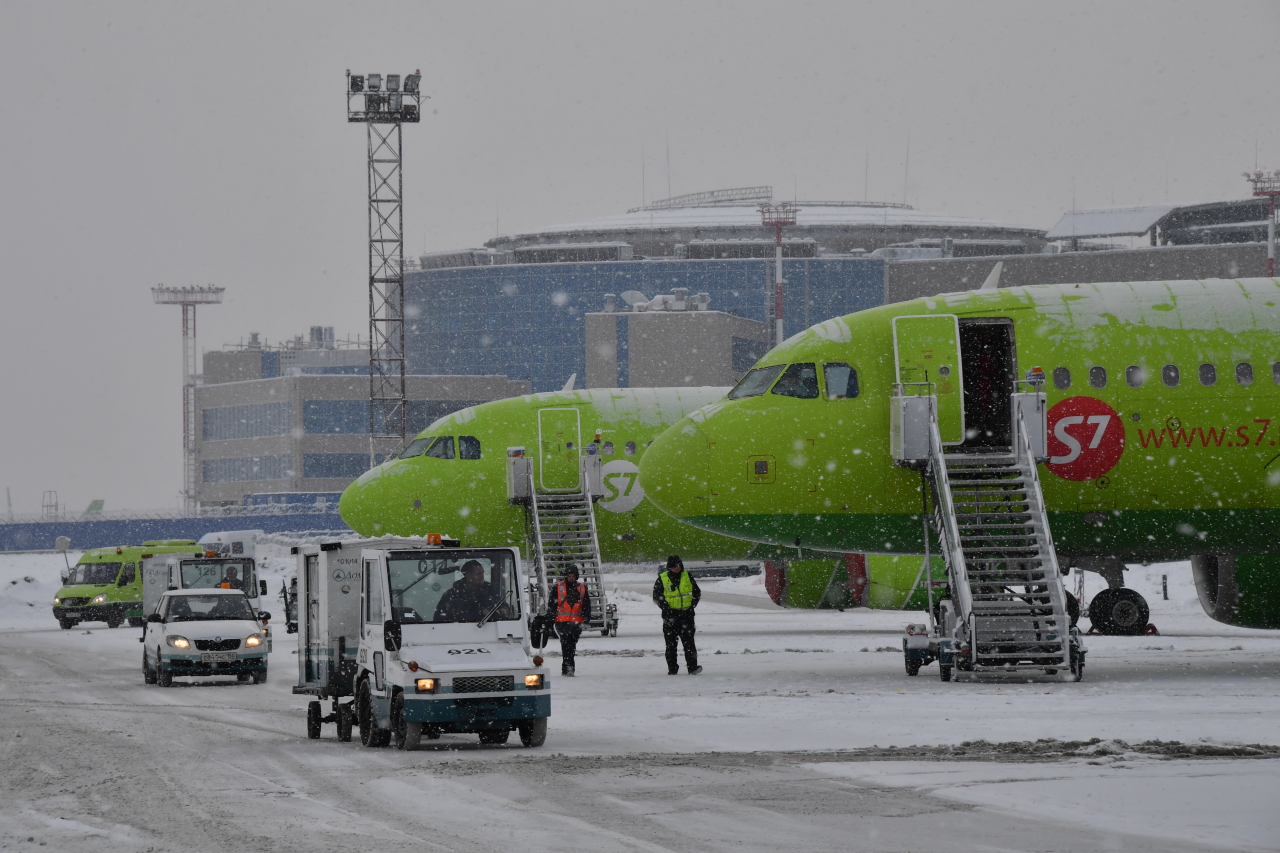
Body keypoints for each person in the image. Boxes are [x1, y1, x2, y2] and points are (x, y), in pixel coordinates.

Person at [652, 555, 702, 675]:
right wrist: (667, 609)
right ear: (669, 567)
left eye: (677, 566)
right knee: (671, 645)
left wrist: (692, 605)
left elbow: (696, 592)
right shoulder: (662, 578)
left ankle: (692, 667)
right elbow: (657, 596)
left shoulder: (687, 576)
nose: (675, 569)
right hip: (670, 617)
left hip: (687, 616)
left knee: (689, 644)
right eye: (673, 567)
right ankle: (672, 669)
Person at [550, 564, 591, 677]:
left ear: (576, 576)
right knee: (566, 644)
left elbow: (586, 604)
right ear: (566, 576)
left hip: (576, 623)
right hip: (562, 622)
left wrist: (587, 617)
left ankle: (567, 666)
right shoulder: (557, 587)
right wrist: (551, 618)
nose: (571, 578)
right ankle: (569, 666)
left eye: (573, 576)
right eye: (569, 576)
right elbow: (552, 604)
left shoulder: (582, 588)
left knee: (571, 645)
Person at [433, 560, 499, 622]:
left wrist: (503, 610)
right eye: (478, 573)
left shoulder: (490, 591)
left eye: (482, 573)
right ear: (468, 575)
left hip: (486, 629)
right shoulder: (450, 595)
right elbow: (438, 619)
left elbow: (502, 605)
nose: (482, 576)